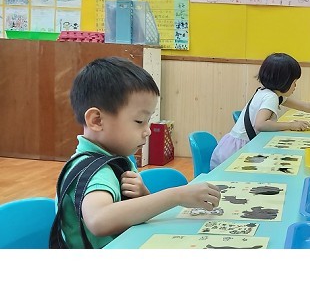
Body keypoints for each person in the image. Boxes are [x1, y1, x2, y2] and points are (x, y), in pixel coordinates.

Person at [56, 57, 222, 249]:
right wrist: (176, 196)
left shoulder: (116, 159)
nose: (148, 131)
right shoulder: (95, 172)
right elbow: (99, 220)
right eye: (139, 121)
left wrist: (142, 195)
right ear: (97, 120)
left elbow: (133, 215)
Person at [210, 52, 310, 169]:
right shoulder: (271, 97)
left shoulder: (268, 93)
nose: (295, 86)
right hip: (236, 153)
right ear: (284, 81)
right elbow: (261, 124)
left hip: (231, 147)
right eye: (294, 82)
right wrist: (291, 125)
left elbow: (305, 106)